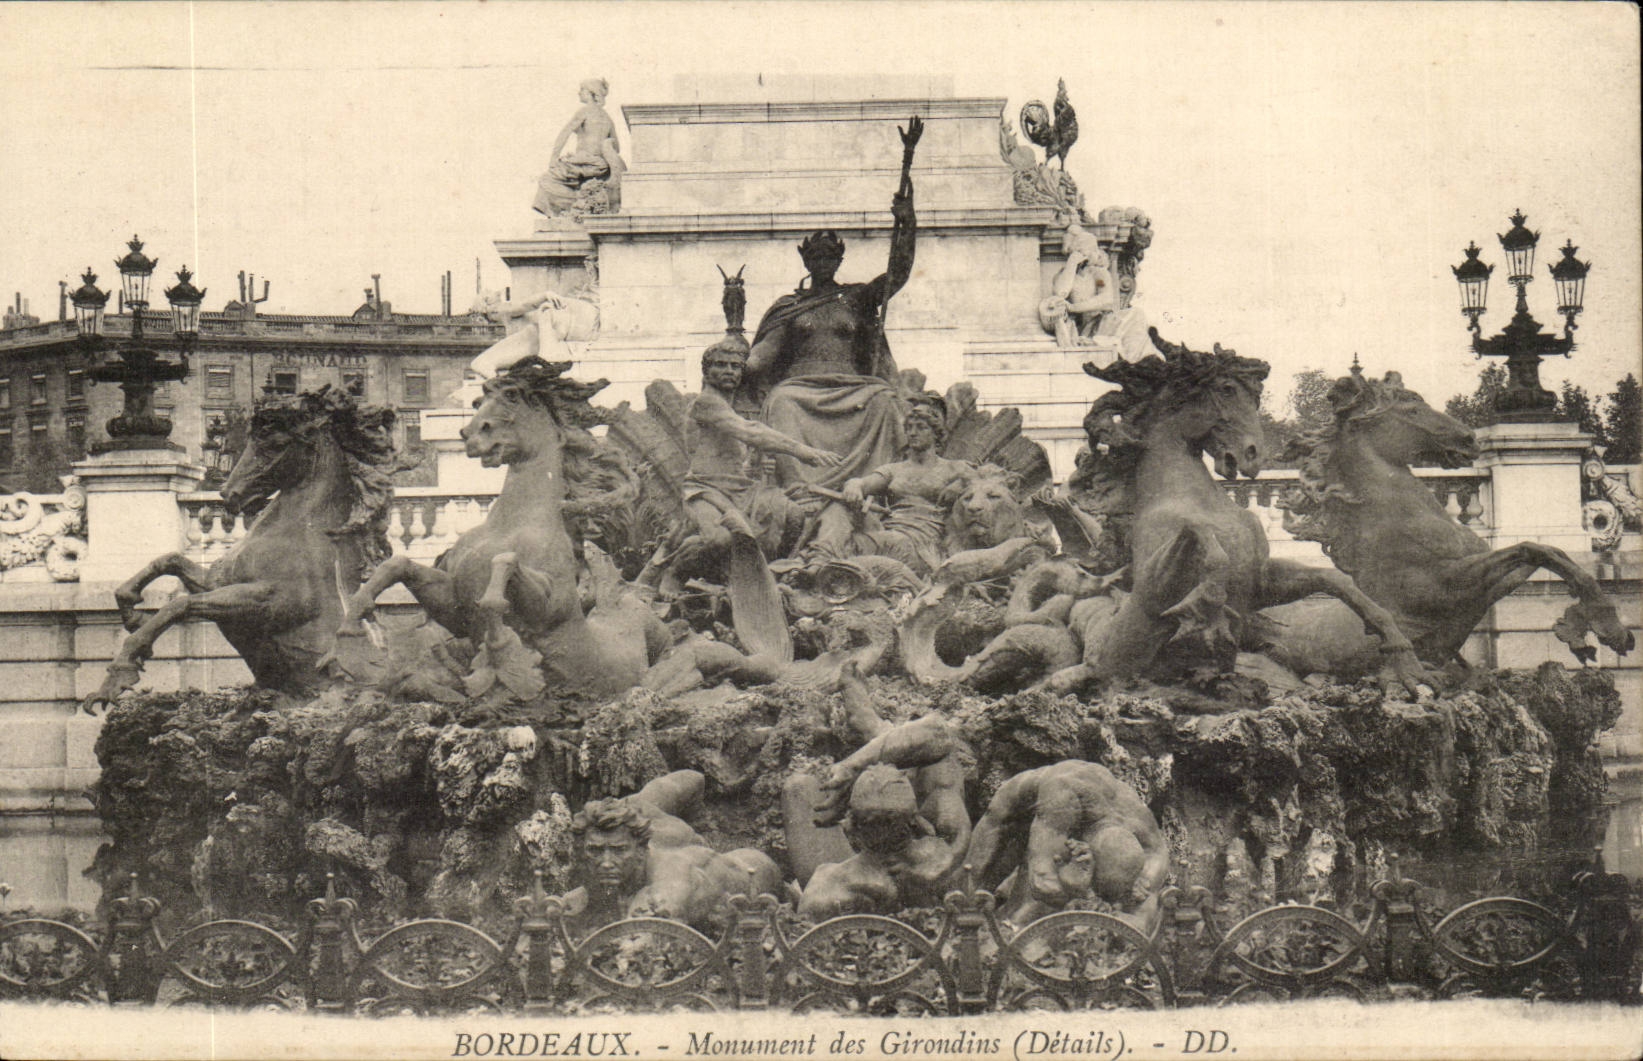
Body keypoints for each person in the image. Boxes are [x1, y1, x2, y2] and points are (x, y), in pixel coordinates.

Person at [742, 117, 923, 489]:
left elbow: (899, 272)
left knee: (885, 403)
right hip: (801, 387)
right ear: (807, 262)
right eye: (816, 259)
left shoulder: (856, 298)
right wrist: (736, 360)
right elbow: (763, 355)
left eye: (829, 258)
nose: (822, 264)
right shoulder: (789, 305)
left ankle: (876, 487)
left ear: (838, 261)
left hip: (852, 386)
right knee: (781, 402)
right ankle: (799, 490)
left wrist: (908, 220)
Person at [783, 662, 970, 918]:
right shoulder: (881, 755)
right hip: (858, 868)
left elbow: (936, 731)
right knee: (799, 788)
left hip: (921, 880)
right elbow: (880, 732)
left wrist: (851, 767)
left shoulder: (939, 776)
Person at [561, 770, 780, 934]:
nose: (606, 862)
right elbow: (693, 779)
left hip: (756, 868)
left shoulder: (669, 882)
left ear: (640, 850)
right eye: (595, 851)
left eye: (619, 850)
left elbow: (638, 947)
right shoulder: (635, 814)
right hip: (691, 851)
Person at [966, 760, 1169, 931]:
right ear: (1084, 847)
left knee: (1022, 913)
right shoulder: (1063, 800)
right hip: (1019, 805)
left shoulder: (1136, 820)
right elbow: (1042, 882)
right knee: (969, 883)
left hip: (1078, 812)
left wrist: (1146, 881)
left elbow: (1158, 852)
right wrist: (1086, 894)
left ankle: (1010, 913)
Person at [806, 397, 974, 575]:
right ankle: (819, 563)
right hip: (888, 532)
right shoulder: (893, 470)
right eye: (909, 428)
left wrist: (962, 485)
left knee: (867, 546)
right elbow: (864, 482)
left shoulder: (955, 468)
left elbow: (987, 482)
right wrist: (854, 486)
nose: (912, 433)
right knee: (838, 507)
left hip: (921, 543)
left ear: (936, 434)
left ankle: (828, 564)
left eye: (921, 427)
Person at [534, 78, 626, 217]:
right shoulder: (607, 117)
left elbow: (564, 134)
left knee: (546, 181)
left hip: (583, 162)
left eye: (582, 90)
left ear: (591, 93)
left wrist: (554, 157)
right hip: (601, 165)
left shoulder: (585, 111)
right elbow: (616, 147)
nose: (579, 93)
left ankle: (559, 213)